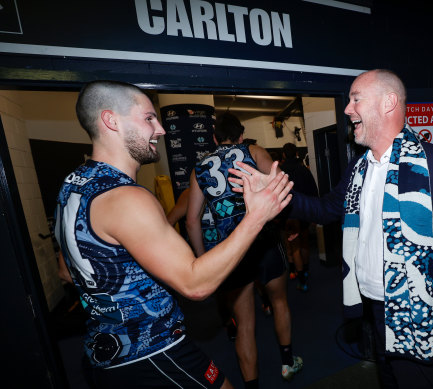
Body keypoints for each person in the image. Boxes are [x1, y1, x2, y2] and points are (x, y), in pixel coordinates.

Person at [228, 69, 433, 389]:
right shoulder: (359, 168)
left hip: (422, 323)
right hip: (377, 318)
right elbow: (325, 210)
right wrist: (276, 195)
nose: (347, 109)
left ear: (388, 103)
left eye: (356, 99)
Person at [54, 80, 293, 389]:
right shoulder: (127, 198)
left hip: (104, 354)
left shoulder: (74, 183)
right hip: (151, 350)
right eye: (149, 118)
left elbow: (65, 270)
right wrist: (256, 216)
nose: (161, 129)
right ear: (111, 120)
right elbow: (196, 285)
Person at [185, 112, 303, 388]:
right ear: (240, 135)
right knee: (279, 302)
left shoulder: (199, 168)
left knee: (245, 326)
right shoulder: (254, 150)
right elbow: (282, 190)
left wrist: (204, 262)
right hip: (264, 243)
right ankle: (287, 362)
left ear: (214, 138)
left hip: (232, 251)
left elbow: (192, 221)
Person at [280, 143, 319, 291]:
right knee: (304, 243)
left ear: (283, 154)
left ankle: (301, 278)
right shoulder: (304, 170)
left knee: (294, 246)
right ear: (296, 153)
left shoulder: (280, 172)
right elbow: (313, 192)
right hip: (304, 212)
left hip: (289, 214)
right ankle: (306, 270)